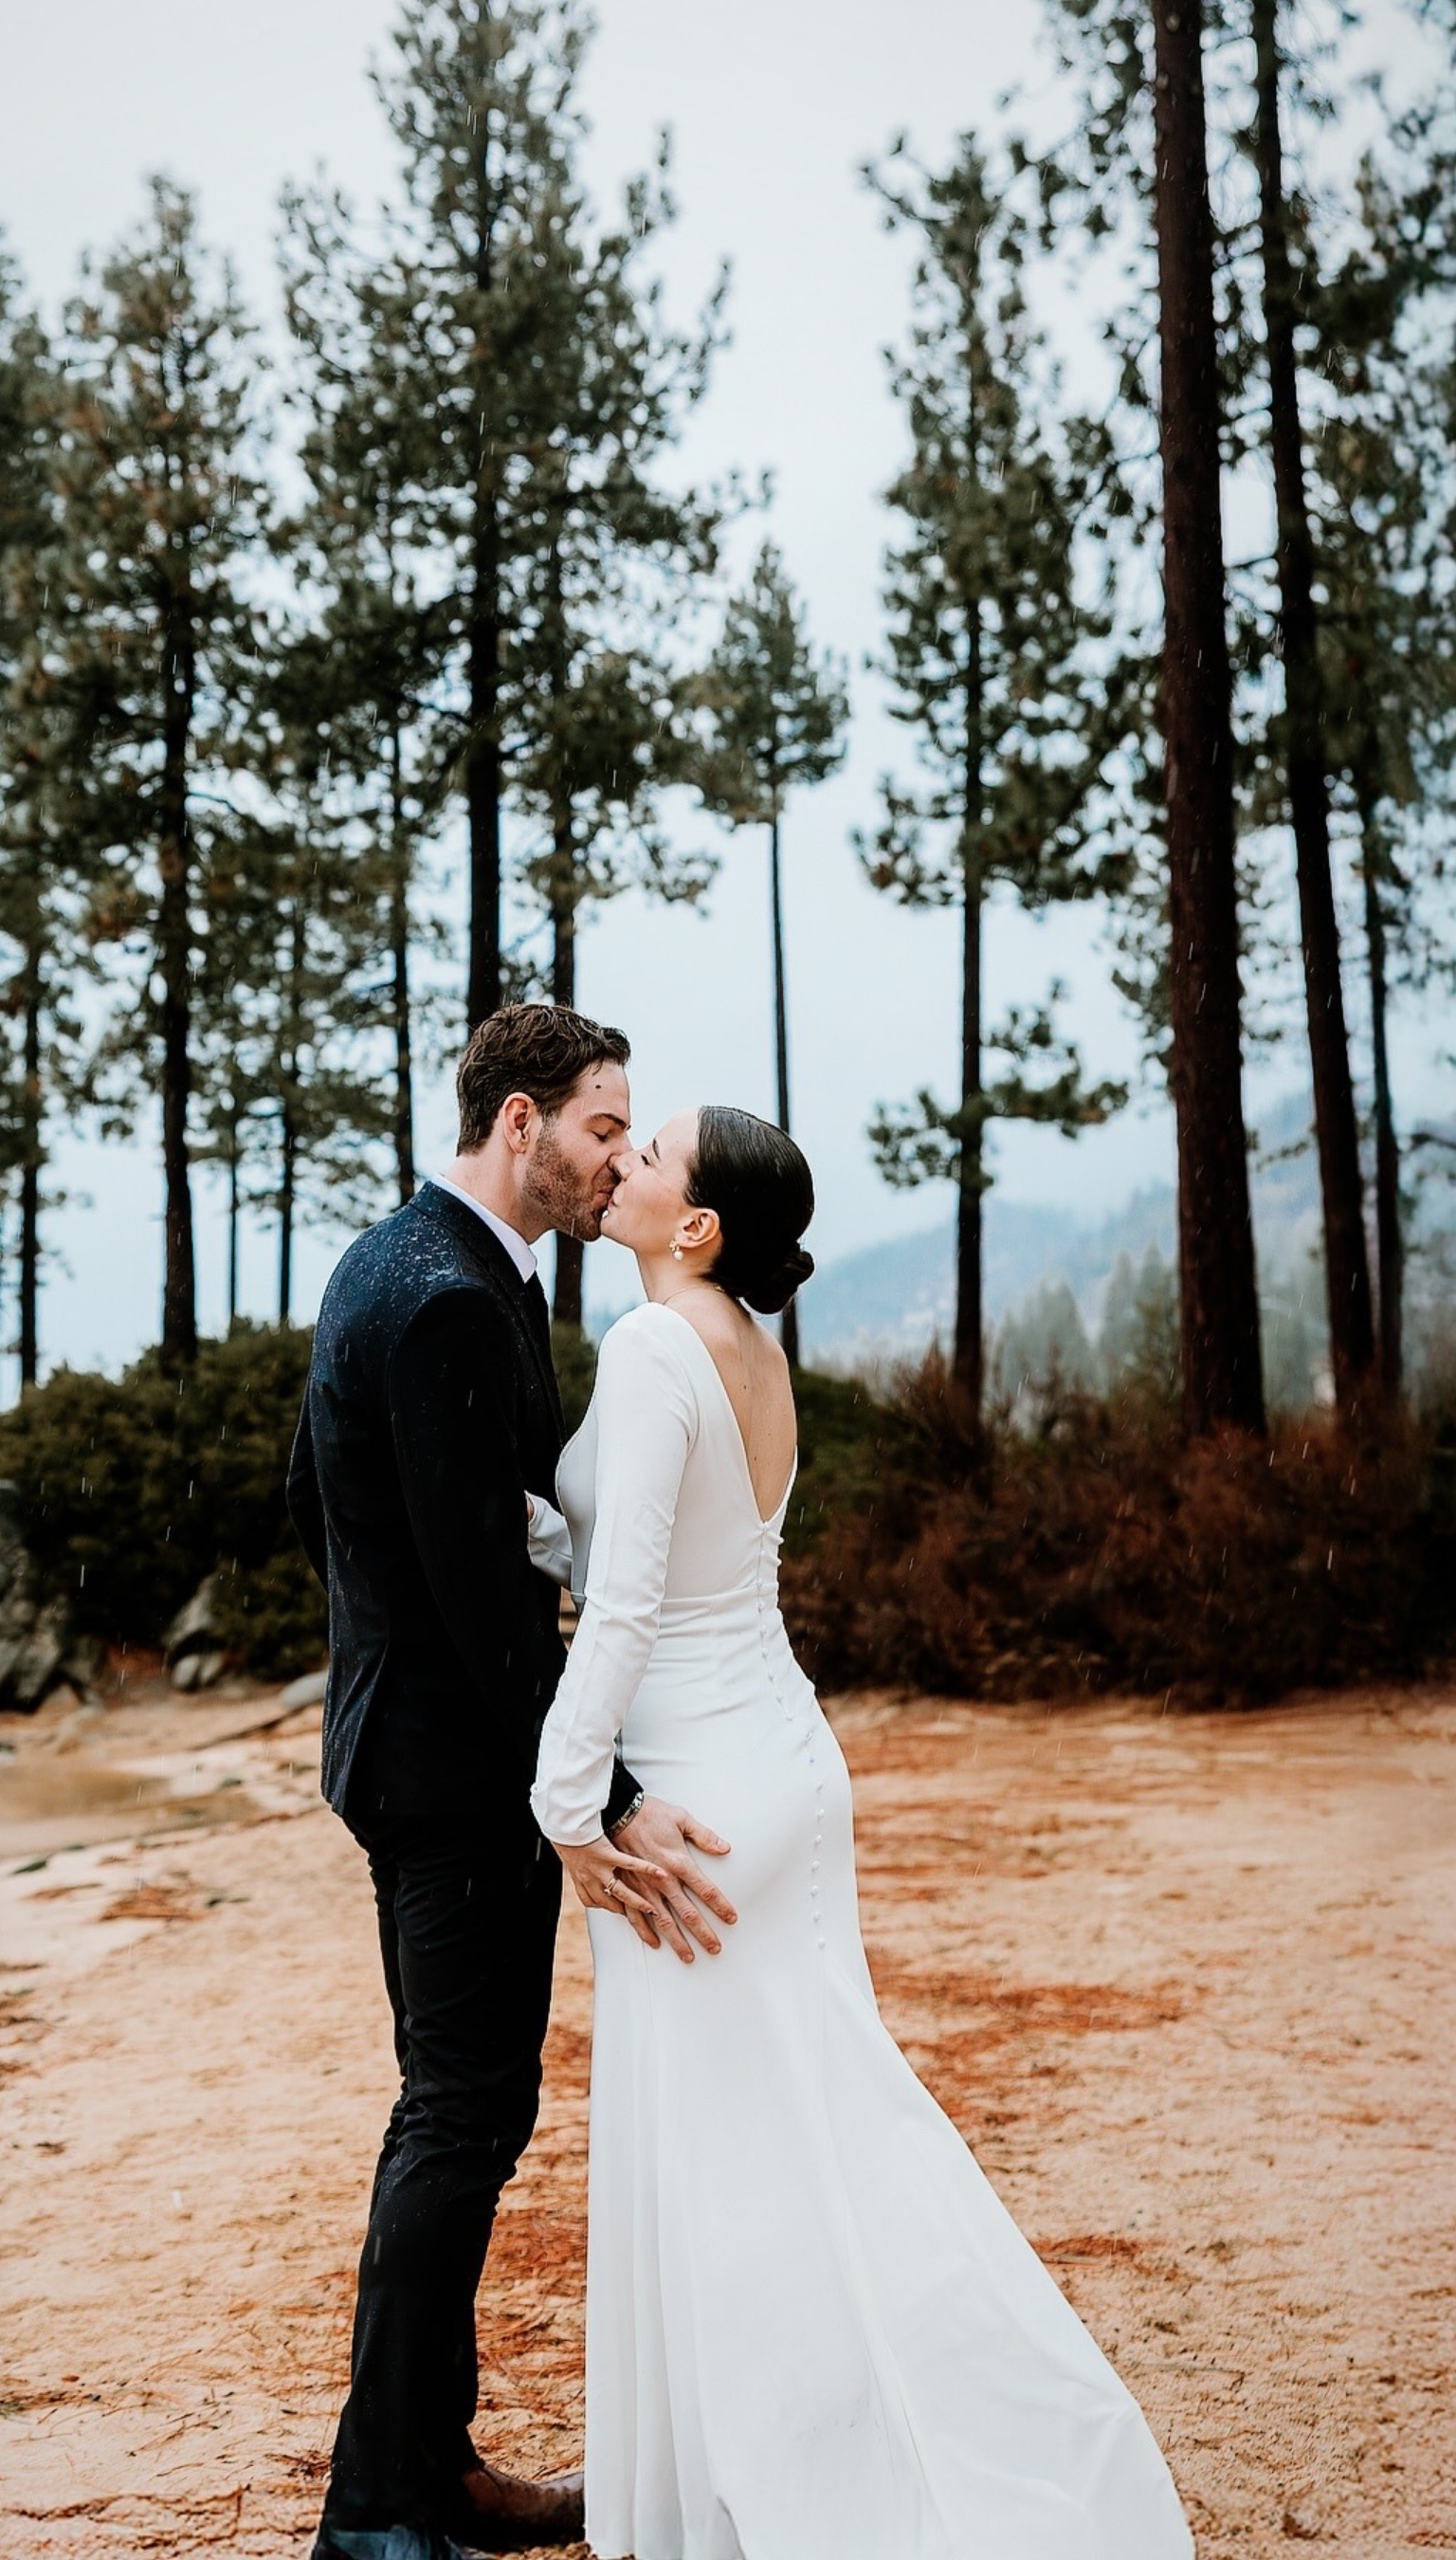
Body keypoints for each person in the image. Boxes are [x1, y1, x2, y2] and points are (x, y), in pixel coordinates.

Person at [529, 1105, 1196, 2560]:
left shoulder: (654, 1349)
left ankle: (796, 2484)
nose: (624, 1162)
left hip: (697, 1802)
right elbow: (673, 1550)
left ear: (695, 1227)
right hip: (783, 1765)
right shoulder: (751, 1354)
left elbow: (632, 1606)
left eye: (650, 1159)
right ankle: (785, 2455)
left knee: (734, 2168)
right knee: (819, 2134)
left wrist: (565, 1799)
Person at [288, 1006, 737, 2560]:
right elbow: (486, 1600)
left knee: (465, 2109)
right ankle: (375, 2512)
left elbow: (320, 1500)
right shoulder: (444, 1300)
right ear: (524, 1120)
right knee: (462, 2115)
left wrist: (382, 1633)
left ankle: (438, 2467)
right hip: (448, 1772)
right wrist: (598, 1795)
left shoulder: (412, 1259)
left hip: (412, 1742)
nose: (620, 1151)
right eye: (607, 1126)